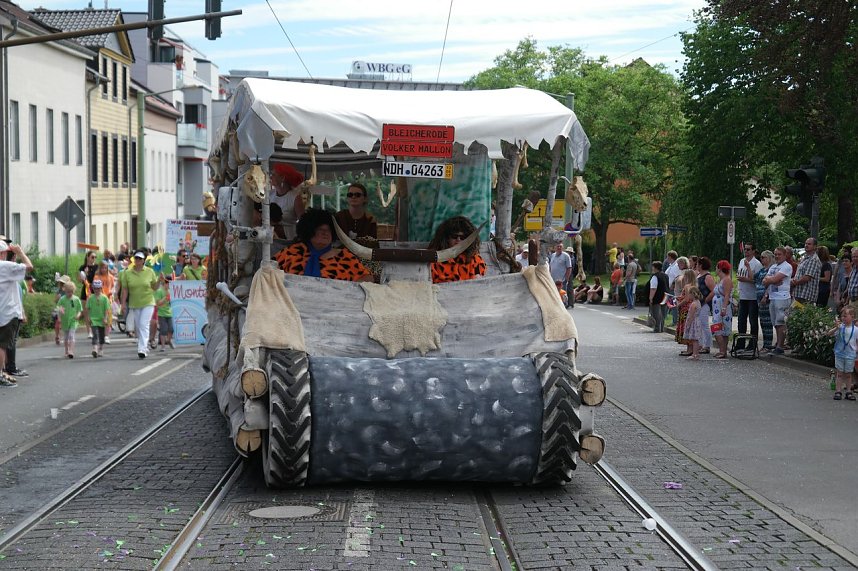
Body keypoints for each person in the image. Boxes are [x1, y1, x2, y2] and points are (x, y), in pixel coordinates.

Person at [274, 208, 373, 282]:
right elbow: (268, 271)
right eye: (320, 229)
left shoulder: (344, 256)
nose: (325, 233)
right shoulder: (291, 252)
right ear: (308, 230)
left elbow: (368, 278)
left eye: (329, 229)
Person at [0, 240, 32, 387]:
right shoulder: (5, 266)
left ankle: (3, 371)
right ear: (4, 253)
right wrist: (20, 252)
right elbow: (29, 267)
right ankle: (1, 374)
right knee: (2, 345)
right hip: (8, 311)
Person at [119, 251, 159, 359]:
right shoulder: (127, 273)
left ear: (143, 261)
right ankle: (144, 346)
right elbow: (125, 290)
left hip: (148, 302)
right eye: (136, 258)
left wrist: (159, 280)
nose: (137, 260)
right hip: (134, 303)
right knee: (138, 327)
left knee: (143, 324)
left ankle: (141, 349)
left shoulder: (150, 271)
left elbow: (155, 287)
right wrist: (123, 304)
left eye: (140, 259)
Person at [428, 216, 487, 284]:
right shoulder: (434, 260)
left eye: (462, 237)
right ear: (446, 238)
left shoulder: (475, 260)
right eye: (454, 236)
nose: (458, 240)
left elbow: (478, 284)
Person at [761, 246, 793, 355]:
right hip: (772, 296)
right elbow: (764, 281)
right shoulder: (773, 266)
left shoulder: (787, 266)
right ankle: (778, 343)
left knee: (780, 322)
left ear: (784, 255)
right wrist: (772, 280)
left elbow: (773, 279)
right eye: (776, 254)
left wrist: (771, 280)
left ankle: (780, 346)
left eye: (779, 254)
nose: (777, 256)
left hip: (782, 297)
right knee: (775, 322)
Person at [269, 162, 306, 240]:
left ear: (283, 178)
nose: (270, 177)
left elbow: (304, 222)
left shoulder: (295, 197)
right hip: (270, 237)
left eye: (274, 175)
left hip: (288, 238)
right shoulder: (269, 194)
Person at [828, 306, 857, 401]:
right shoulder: (840, 327)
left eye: (845, 316)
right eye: (842, 316)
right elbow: (829, 333)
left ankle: (849, 391)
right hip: (840, 353)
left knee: (849, 374)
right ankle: (838, 391)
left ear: (852, 317)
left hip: (850, 355)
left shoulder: (856, 329)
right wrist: (836, 328)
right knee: (839, 373)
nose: (843, 318)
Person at [735, 243, 762, 342]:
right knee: (741, 320)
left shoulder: (757, 264)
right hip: (743, 295)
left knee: (753, 321)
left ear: (753, 251)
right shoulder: (742, 261)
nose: (746, 251)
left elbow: (757, 281)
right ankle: (741, 342)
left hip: (752, 296)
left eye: (748, 249)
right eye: (745, 249)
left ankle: (753, 343)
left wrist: (746, 279)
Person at [711, 260, 734, 358]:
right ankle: (722, 351)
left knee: (718, 329)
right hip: (717, 308)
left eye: (716, 267)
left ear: (720, 268)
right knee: (719, 329)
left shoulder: (727, 280)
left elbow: (727, 295)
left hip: (722, 307)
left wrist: (724, 308)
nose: (715, 270)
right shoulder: (721, 280)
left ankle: (722, 350)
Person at [755, 250, 775, 352]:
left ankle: (768, 345)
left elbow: (770, 284)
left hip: (766, 298)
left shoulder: (771, 269)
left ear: (769, 258)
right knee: (763, 322)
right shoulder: (762, 270)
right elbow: (753, 278)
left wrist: (765, 296)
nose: (761, 259)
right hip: (759, 298)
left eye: (763, 257)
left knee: (767, 323)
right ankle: (765, 344)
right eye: (761, 257)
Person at [56, 281, 83, 359]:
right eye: (68, 292)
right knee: (66, 337)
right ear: (65, 291)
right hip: (65, 321)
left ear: (73, 291)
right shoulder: (62, 299)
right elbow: (58, 309)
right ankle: (66, 350)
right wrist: (59, 317)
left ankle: (71, 351)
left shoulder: (76, 299)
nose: (69, 293)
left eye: (71, 292)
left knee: (71, 335)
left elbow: (79, 310)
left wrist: (78, 315)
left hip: (73, 320)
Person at [791, 237, 820, 305]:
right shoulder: (805, 258)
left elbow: (807, 277)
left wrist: (795, 283)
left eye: (809, 244)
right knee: (795, 314)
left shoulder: (813, 259)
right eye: (806, 243)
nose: (806, 245)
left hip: (806, 295)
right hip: (798, 293)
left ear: (815, 246)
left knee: (802, 315)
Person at [675, 268, 698, 356]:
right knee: (690, 328)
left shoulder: (687, 286)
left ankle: (689, 349)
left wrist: (679, 304)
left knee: (686, 328)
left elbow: (687, 299)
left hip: (685, 309)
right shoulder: (695, 285)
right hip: (692, 308)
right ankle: (689, 348)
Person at [696, 257, 716, 354]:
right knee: (699, 324)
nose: (696, 265)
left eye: (697, 264)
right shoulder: (698, 275)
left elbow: (714, 290)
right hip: (698, 303)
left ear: (701, 265)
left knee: (704, 324)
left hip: (705, 303)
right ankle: (700, 344)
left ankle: (707, 346)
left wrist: (706, 299)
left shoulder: (707, 276)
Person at [87, 279, 110, 358]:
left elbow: (106, 309)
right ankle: (95, 349)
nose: (97, 290)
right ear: (93, 289)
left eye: (98, 288)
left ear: (101, 288)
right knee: (95, 334)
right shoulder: (90, 298)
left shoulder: (104, 298)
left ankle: (101, 348)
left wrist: (105, 318)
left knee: (101, 335)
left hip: (101, 319)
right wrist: (89, 318)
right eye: (95, 288)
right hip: (94, 319)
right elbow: (88, 308)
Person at [78, 250, 98, 338]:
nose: (94, 259)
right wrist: (85, 274)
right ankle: (89, 331)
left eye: (95, 257)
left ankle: (95, 329)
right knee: (86, 312)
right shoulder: (82, 267)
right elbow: (80, 280)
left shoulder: (97, 267)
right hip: (86, 290)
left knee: (95, 311)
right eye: (92, 257)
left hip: (95, 290)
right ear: (88, 257)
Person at [682, 285, 704, 360]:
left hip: (694, 322)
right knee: (696, 339)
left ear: (692, 294)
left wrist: (688, 324)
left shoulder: (693, 304)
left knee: (694, 339)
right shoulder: (698, 302)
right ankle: (696, 353)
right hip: (698, 321)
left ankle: (695, 354)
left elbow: (691, 315)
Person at [154, 274, 175, 351]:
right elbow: (158, 303)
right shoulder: (160, 291)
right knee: (163, 330)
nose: (169, 285)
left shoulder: (170, 291)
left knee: (171, 329)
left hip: (169, 313)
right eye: (168, 283)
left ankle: (168, 340)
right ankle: (163, 346)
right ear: (165, 283)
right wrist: (165, 298)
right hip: (162, 314)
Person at [648, 261, 669, 333]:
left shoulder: (655, 276)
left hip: (657, 296)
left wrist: (651, 298)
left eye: (653, 266)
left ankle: (657, 328)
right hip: (665, 296)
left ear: (655, 268)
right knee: (663, 313)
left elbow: (653, 288)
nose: (652, 268)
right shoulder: (665, 275)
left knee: (656, 313)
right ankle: (662, 327)